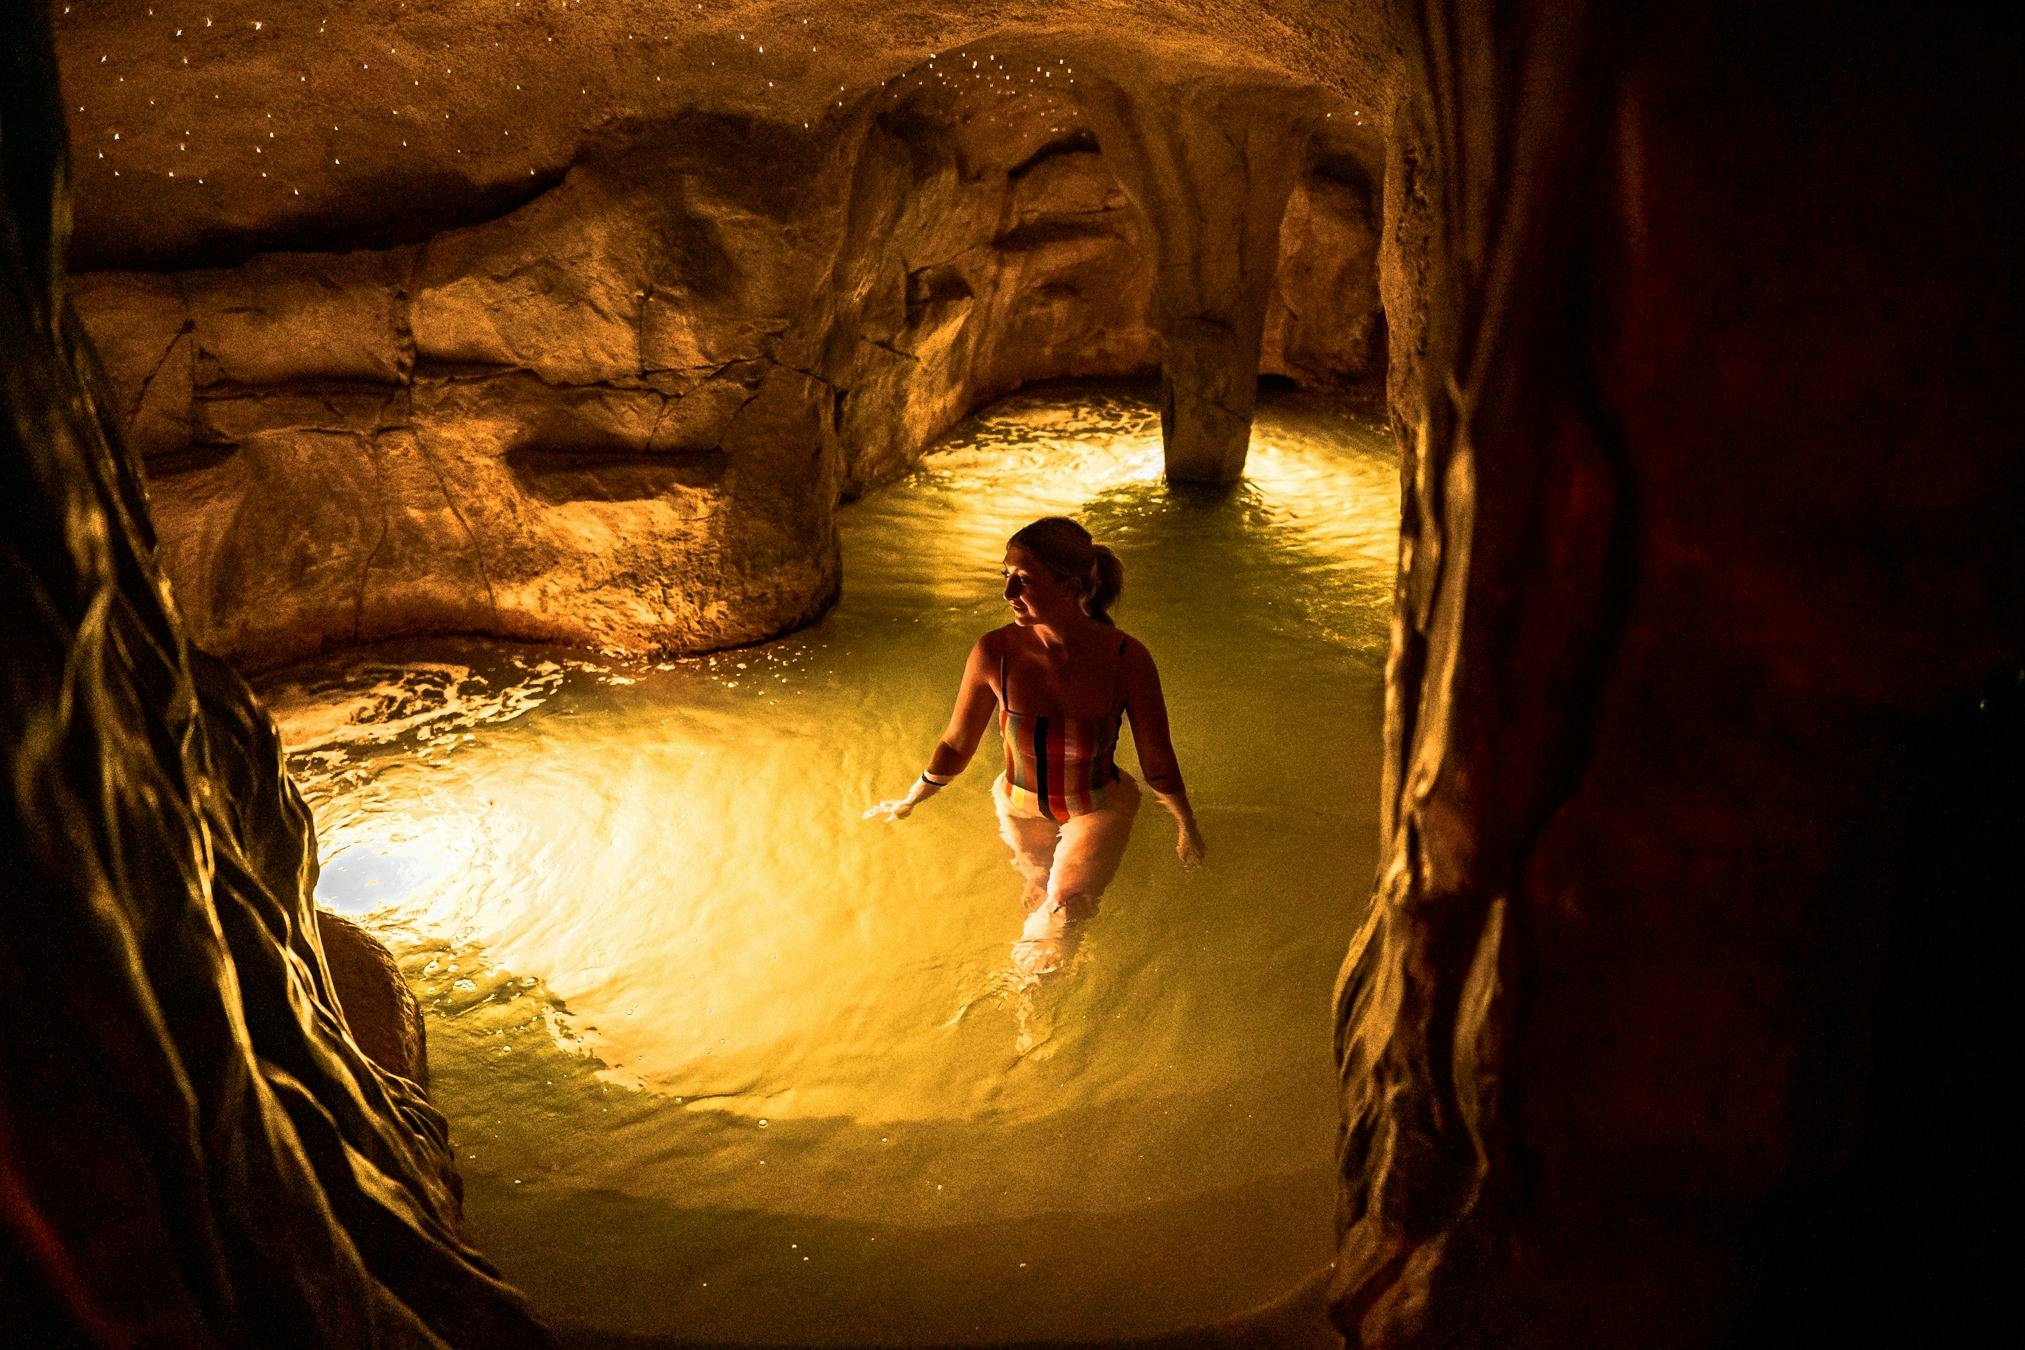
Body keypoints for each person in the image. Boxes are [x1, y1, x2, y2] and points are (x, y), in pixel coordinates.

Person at [865, 516, 1205, 973]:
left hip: (1096, 807)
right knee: (1038, 892)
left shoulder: (1126, 658)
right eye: (1005, 576)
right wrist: (912, 798)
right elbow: (956, 743)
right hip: (1019, 805)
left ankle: (1025, 1002)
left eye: (1023, 580)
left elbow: (1156, 756)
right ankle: (1044, 975)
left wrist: (1185, 824)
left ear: (1071, 585)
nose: (1008, 593)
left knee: (1065, 907)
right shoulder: (994, 652)